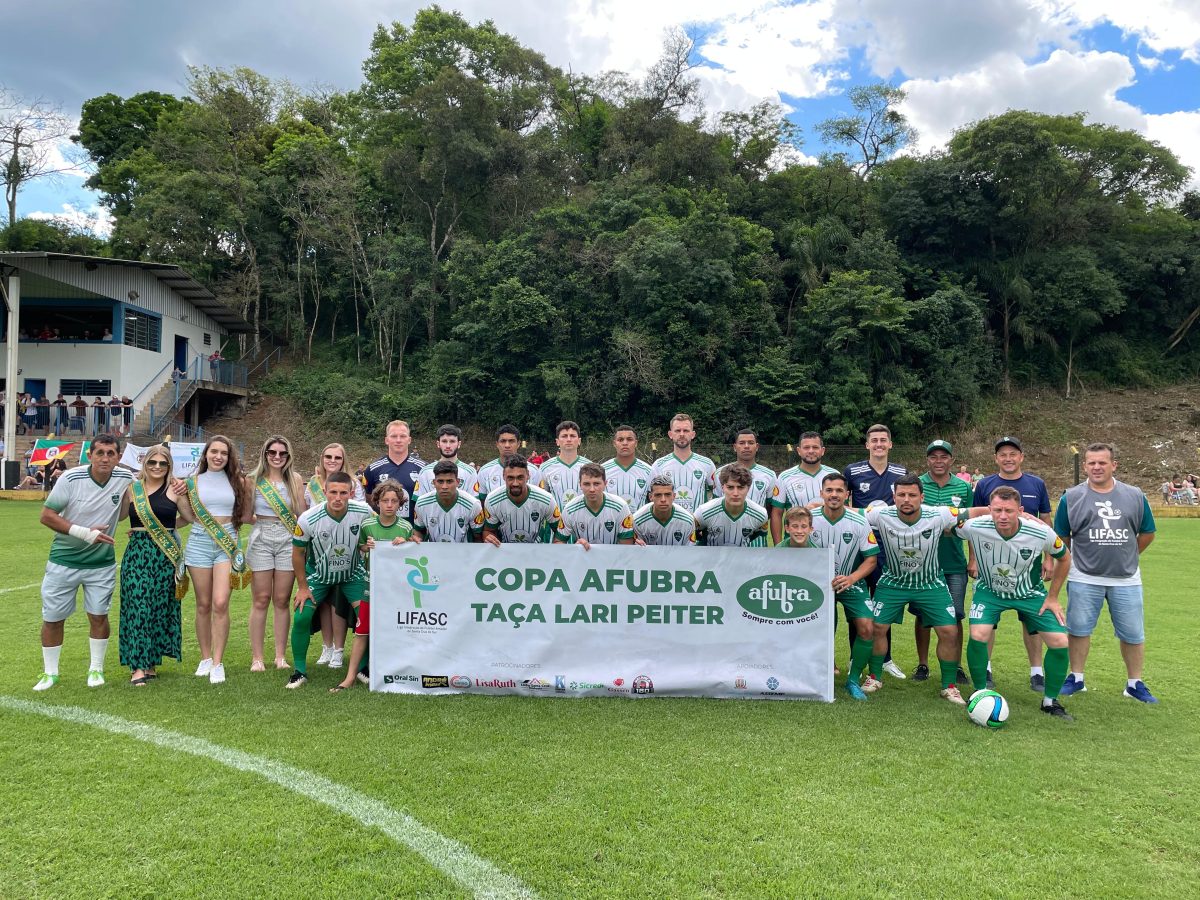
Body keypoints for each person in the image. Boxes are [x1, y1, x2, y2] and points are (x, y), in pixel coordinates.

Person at [957, 487, 1074, 719]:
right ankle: (980, 693)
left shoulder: (1040, 531)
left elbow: (1065, 557)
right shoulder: (975, 526)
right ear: (989, 509)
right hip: (989, 592)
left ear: (1020, 511)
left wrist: (1053, 597)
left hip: (1029, 593)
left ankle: (1050, 701)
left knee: (1060, 642)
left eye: (1008, 511)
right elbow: (947, 522)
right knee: (979, 634)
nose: (1002, 516)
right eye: (997, 510)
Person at [1054, 443, 1159, 703]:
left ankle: (1134, 683)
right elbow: (1061, 537)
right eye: (1091, 463)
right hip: (1084, 577)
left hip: (1126, 579)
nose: (1097, 467)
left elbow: (1148, 533)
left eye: (1102, 462)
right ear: (1085, 465)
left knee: (1133, 634)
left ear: (1114, 465)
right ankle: (1076, 678)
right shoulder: (1071, 497)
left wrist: (1128, 555)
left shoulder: (1135, 495)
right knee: (1078, 630)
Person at [33, 433, 132, 690]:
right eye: (100, 453)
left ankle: (96, 669)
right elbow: (46, 516)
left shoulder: (125, 479)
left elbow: (154, 484)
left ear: (119, 457)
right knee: (53, 618)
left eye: (111, 454)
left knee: (99, 616)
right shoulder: (70, 477)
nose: (105, 458)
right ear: (90, 455)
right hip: (63, 561)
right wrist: (85, 533)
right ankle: (50, 673)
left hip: (101, 565)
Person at [863, 474, 969, 705]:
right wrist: (816, 505)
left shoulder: (938, 513)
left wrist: (1011, 511)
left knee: (949, 632)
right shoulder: (880, 514)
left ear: (922, 497)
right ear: (894, 497)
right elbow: (848, 512)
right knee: (877, 628)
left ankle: (949, 686)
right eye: (901, 495)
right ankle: (874, 677)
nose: (906, 499)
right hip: (893, 582)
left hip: (930, 583)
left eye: (912, 495)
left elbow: (973, 512)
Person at [972, 437, 1053, 690]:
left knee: (1032, 620)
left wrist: (1049, 558)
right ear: (996, 458)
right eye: (1003, 454)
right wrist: (973, 559)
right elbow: (974, 525)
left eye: (1013, 453)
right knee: (988, 620)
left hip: (1028, 567)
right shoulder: (984, 484)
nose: (1008, 458)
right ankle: (985, 668)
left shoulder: (1036, 484)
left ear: (1021, 457)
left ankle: (1037, 672)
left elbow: (1046, 522)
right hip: (991, 566)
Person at [172, 434, 251, 685]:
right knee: (203, 604)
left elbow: (248, 514)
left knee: (220, 603)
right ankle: (205, 658)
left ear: (229, 458)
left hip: (227, 543)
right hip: (199, 543)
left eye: (223, 453)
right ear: (205, 454)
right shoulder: (190, 483)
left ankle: (218, 662)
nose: (218, 456)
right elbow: (185, 516)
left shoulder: (238, 482)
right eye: (213, 451)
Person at [287, 472, 373, 689]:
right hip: (319, 575)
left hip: (353, 573)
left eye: (343, 493)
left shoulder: (363, 512)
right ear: (324, 492)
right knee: (301, 616)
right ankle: (299, 671)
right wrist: (303, 587)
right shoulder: (308, 518)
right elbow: (297, 554)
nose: (337, 497)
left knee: (367, 616)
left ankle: (364, 668)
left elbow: (377, 531)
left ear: (351, 493)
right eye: (333, 492)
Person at [118, 445, 191, 686]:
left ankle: (149, 663)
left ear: (169, 466)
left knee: (158, 607)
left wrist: (166, 528)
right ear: (145, 464)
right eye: (153, 463)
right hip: (138, 553)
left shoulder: (175, 490)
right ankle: (137, 666)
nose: (157, 467)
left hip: (165, 556)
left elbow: (190, 518)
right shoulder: (131, 488)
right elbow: (117, 516)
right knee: (138, 605)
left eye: (163, 463)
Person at [331, 481, 412, 693]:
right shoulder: (367, 525)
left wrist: (405, 543)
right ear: (376, 502)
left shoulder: (405, 527)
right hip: (370, 588)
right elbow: (359, 548)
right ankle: (349, 677)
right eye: (385, 500)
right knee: (362, 632)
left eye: (394, 501)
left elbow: (413, 552)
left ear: (400, 504)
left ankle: (398, 673)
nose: (389, 505)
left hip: (395, 590)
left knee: (397, 631)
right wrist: (366, 547)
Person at [843, 424, 908, 680]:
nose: (879, 444)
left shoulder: (901, 472)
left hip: (889, 548)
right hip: (860, 547)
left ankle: (885, 658)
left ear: (890, 444)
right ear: (867, 444)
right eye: (874, 440)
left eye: (883, 440)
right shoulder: (853, 471)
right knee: (857, 603)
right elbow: (845, 504)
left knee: (883, 605)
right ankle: (853, 657)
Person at [809, 473, 879, 701]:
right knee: (820, 629)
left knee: (867, 627)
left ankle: (853, 679)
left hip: (850, 583)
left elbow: (871, 560)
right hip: (817, 585)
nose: (834, 495)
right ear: (821, 493)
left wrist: (851, 578)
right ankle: (815, 674)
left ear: (847, 495)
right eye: (829, 490)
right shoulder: (809, 518)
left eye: (839, 491)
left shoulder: (859, 522)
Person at [913, 440, 975, 684]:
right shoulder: (917, 484)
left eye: (943, 457)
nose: (938, 461)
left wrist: (973, 559)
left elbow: (971, 525)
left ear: (951, 460)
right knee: (922, 615)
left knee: (955, 616)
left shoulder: (962, 486)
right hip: (923, 563)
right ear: (927, 460)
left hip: (953, 563)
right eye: (933, 457)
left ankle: (956, 665)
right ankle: (923, 664)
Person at [246, 435, 306, 673]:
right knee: (260, 599)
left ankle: (280, 656)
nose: (277, 457)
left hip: (287, 537)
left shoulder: (296, 479)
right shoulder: (253, 480)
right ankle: (257, 657)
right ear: (265, 454)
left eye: (282, 453)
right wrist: (261, 523)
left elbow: (301, 513)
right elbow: (244, 514)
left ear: (288, 456)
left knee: (281, 600)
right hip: (261, 536)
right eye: (273, 453)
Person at [304, 442, 364, 669]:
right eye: (328, 456)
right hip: (319, 548)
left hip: (345, 547)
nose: (332, 461)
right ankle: (326, 646)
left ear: (343, 460)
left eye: (337, 458)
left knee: (337, 601)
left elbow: (359, 513)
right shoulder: (312, 484)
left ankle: (339, 649)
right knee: (322, 601)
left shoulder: (354, 483)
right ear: (322, 459)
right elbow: (304, 512)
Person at [772, 431, 839, 545]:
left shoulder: (835, 475)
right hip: (795, 542)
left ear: (822, 451)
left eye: (815, 447)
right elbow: (777, 513)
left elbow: (844, 509)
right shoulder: (785, 477)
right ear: (799, 450)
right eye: (806, 447)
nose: (811, 451)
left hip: (828, 541)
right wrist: (779, 546)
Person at [481, 455, 561, 545]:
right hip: (506, 551)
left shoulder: (546, 499)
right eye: (510, 478)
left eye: (520, 477)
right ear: (503, 476)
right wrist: (489, 538)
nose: (515, 483)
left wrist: (555, 549)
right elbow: (488, 531)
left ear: (528, 476)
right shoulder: (492, 500)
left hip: (537, 551)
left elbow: (560, 532)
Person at [715, 430, 779, 538]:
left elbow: (769, 507)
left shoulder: (769, 475)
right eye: (742, 443)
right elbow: (715, 503)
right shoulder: (720, 472)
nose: (746, 446)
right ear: (735, 447)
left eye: (750, 443)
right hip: (726, 535)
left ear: (757, 446)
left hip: (757, 537)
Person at [555, 462, 633, 548]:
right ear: (580, 484)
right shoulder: (570, 510)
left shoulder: (620, 507)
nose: (592, 489)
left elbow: (627, 546)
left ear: (605, 484)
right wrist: (575, 548)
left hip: (613, 560)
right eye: (586, 484)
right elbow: (559, 542)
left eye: (596, 484)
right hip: (582, 559)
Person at [651, 413, 716, 514]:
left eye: (686, 430)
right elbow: (651, 497)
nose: (682, 434)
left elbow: (717, 495)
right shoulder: (658, 465)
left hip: (697, 526)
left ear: (693, 434)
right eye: (677, 430)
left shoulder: (707, 464)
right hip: (668, 526)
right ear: (670, 434)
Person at [361, 419, 423, 521]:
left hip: (414, 533)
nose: (398, 440)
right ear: (386, 440)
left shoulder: (423, 469)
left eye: (403, 436)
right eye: (393, 436)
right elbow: (368, 497)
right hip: (383, 533)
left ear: (409, 440)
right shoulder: (372, 469)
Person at [694, 464, 769, 547]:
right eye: (730, 487)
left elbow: (755, 535)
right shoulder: (703, 512)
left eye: (740, 487)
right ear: (722, 487)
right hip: (710, 559)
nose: (735, 493)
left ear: (748, 488)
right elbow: (693, 535)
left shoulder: (761, 515)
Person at [413, 459, 484, 543]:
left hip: (463, 554)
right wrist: (417, 539)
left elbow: (478, 537)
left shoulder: (473, 504)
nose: (444, 486)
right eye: (440, 481)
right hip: (432, 554)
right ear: (434, 482)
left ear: (458, 482)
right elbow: (419, 531)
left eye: (449, 481)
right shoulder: (421, 503)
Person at [477, 425, 542, 501]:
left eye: (511, 441)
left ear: (518, 444)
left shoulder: (533, 471)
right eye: (503, 441)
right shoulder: (485, 471)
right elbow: (482, 502)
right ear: (497, 444)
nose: (507, 445)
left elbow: (539, 500)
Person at [413, 424, 478, 500]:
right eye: (444, 441)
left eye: (452, 441)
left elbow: (474, 504)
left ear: (459, 444)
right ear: (438, 444)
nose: (448, 445)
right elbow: (419, 504)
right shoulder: (425, 472)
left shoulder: (470, 472)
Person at [539, 420, 591, 509]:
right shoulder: (545, 468)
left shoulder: (589, 467)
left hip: (583, 521)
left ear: (579, 441)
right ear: (557, 441)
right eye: (564, 436)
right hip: (556, 521)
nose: (569, 439)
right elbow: (542, 499)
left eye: (572, 436)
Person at [632, 475, 697, 546]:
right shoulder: (637, 520)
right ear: (650, 497)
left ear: (674, 496)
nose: (663, 499)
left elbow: (690, 552)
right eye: (658, 495)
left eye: (667, 494)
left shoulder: (688, 521)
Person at [602, 425, 654, 510]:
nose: (625, 443)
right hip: (611, 522)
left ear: (636, 443)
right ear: (614, 443)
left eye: (629, 439)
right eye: (620, 440)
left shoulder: (649, 471)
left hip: (638, 522)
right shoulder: (602, 470)